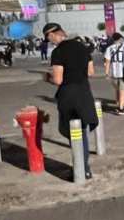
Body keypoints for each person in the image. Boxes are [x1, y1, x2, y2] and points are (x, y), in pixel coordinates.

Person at [42, 22, 98, 179]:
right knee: (82, 131)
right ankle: (85, 168)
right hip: (84, 92)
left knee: (72, 132)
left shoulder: (58, 52)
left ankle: (78, 169)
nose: (49, 42)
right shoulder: (82, 47)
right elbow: (91, 72)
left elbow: (58, 80)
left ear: (52, 34)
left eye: (48, 38)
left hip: (68, 94)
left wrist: (47, 77)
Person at [103, 34, 124, 115]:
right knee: (122, 91)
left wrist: (106, 73)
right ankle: (121, 108)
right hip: (123, 72)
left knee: (117, 89)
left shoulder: (109, 48)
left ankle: (117, 105)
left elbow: (107, 61)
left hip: (113, 72)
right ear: (119, 39)